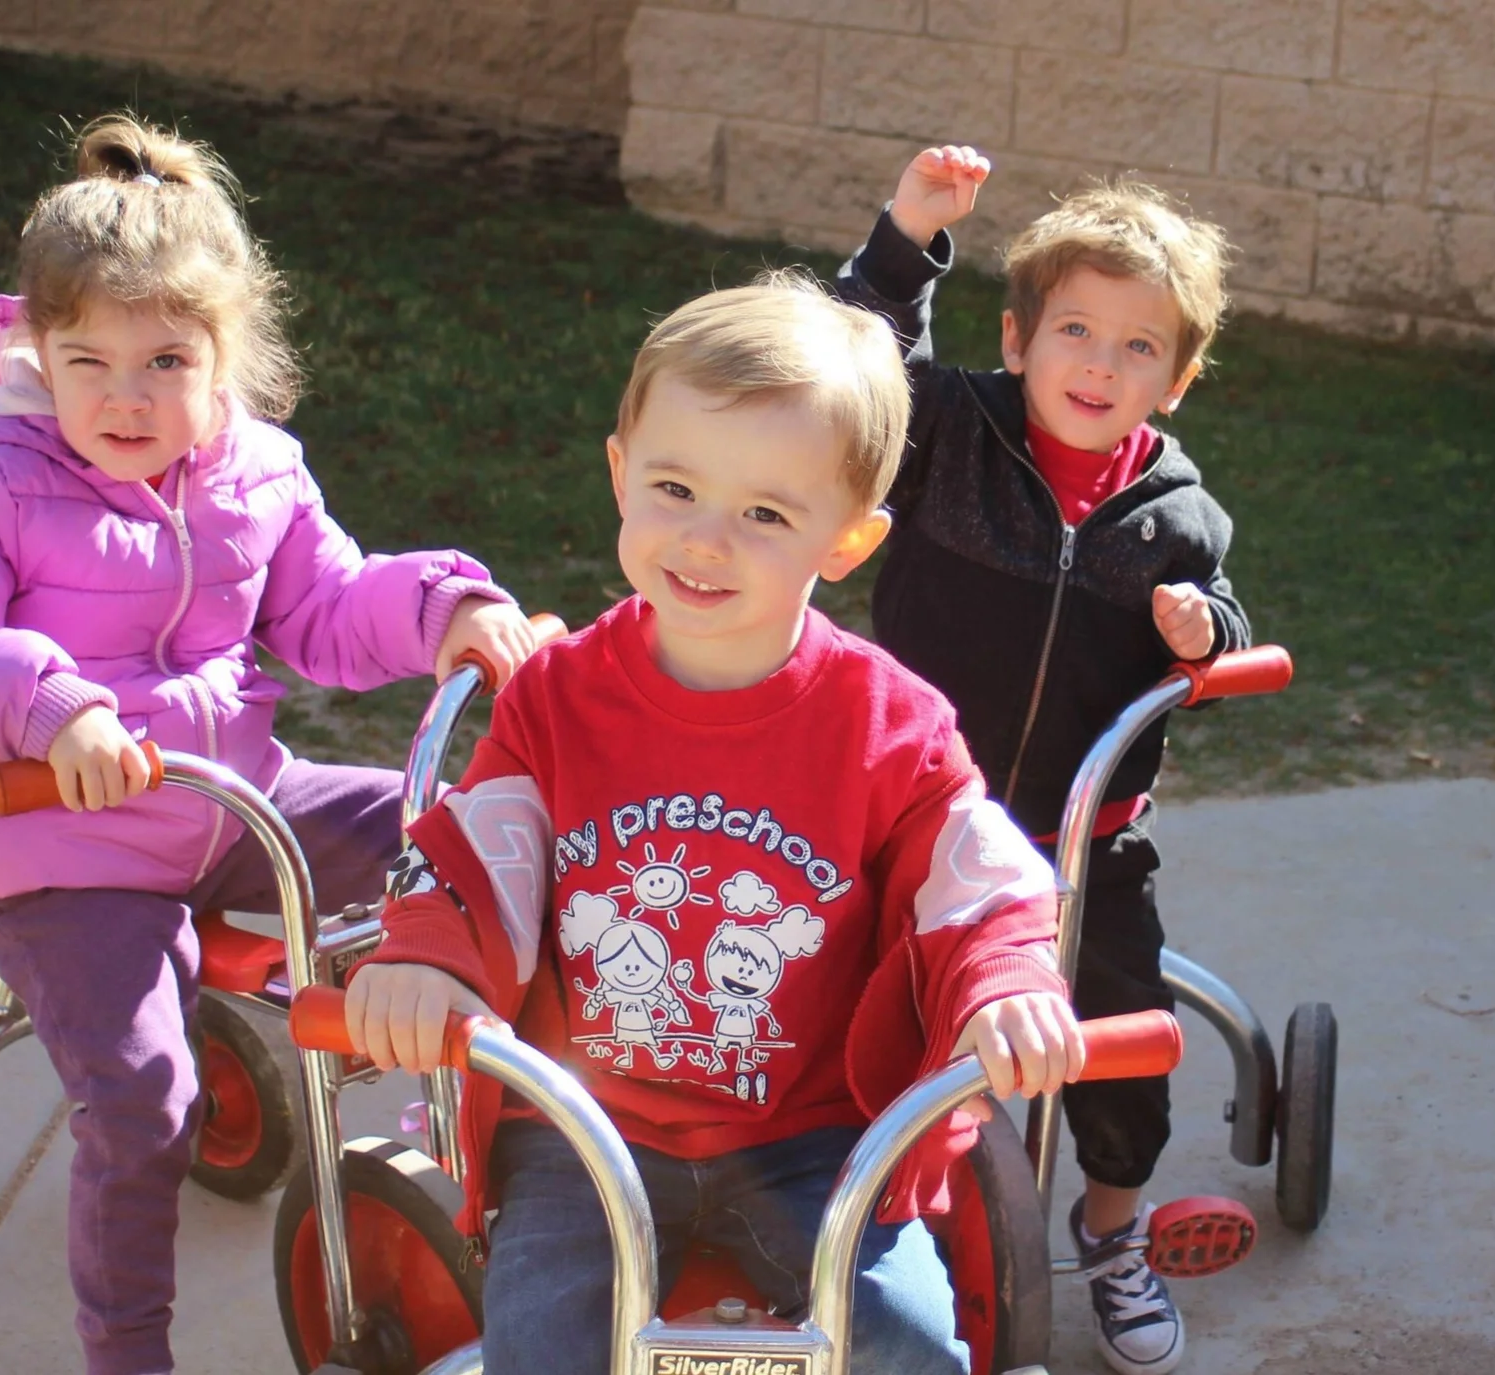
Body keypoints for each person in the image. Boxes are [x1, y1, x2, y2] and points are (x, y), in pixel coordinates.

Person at [0, 113, 537, 1375]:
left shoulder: (254, 473)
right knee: (142, 1100)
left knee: (470, 841)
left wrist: (446, 610)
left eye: (166, 359)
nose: (127, 396)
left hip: (234, 802)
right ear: (38, 353)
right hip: (60, 842)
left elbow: (327, 607)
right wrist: (52, 708)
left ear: (226, 355)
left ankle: (549, 1163)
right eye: (90, 360)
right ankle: (128, 1352)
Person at [346, 272, 1085, 1375]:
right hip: (584, 1132)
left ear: (847, 542)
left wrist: (1005, 982)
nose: (705, 540)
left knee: (910, 1343)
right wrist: (426, 958)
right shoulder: (556, 698)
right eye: (675, 488)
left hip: (810, 1135)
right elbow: (479, 850)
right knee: (540, 1340)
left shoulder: (890, 727)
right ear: (619, 473)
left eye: (766, 514)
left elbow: (974, 880)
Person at [832, 147, 1253, 1375]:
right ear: (1016, 340)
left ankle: (1111, 1230)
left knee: (1120, 1046)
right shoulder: (952, 435)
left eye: (1138, 346)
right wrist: (910, 234)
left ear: (1175, 381)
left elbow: (1226, 614)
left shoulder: (1179, 518)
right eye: (1075, 330)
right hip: (918, 821)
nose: (1100, 365)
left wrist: (1205, 632)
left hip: (1087, 845)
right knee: (866, 1019)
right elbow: (861, 360)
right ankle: (856, 1207)